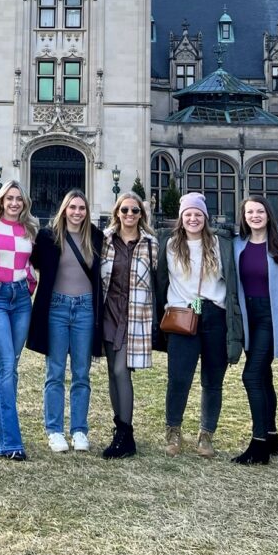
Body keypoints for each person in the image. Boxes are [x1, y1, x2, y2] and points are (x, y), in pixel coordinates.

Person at [155, 192, 243, 458]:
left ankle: (206, 435)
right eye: (188, 214)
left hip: (215, 315)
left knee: (213, 380)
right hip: (182, 315)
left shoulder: (220, 243)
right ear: (181, 218)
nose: (193, 218)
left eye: (198, 214)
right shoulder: (169, 245)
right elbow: (159, 281)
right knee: (178, 378)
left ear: (205, 217)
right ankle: (173, 431)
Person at [27, 189, 104, 454]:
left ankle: (80, 430)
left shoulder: (96, 237)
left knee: (82, 373)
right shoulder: (48, 237)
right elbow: (29, 261)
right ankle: (55, 430)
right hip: (56, 308)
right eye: (72, 208)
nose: (77, 212)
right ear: (64, 209)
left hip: (85, 309)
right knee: (55, 372)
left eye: (81, 208)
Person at [0, 180, 38, 460]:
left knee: (12, 366)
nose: (14, 203)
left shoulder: (29, 230)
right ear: (1, 200)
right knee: (4, 365)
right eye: (9, 198)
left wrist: (29, 283)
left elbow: (29, 263)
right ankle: (8, 442)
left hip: (21, 300)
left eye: (18, 198)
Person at [231, 196, 278, 465]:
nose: (255, 216)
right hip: (247, 316)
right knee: (264, 376)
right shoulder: (237, 245)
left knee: (252, 375)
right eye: (249, 212)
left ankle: (259, 445)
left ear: (269, 214)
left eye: (259, 211)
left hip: (270, 316)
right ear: (243, 216)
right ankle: (271, 434)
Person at [100, 191, 158, 459]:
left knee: (123, 371)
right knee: (113, 371)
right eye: (125, 210)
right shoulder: (105, 241)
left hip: (135, 315)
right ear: (117, 213)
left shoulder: (150, 245)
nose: (130, 215)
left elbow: (161, 283)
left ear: (141, 215)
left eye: (135, 211)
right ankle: (120, 431)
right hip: (110, 312)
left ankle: (126, 433)